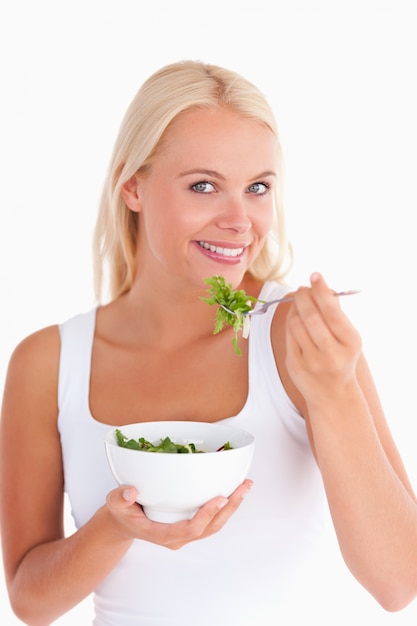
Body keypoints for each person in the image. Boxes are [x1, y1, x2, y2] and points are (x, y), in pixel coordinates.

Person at [1, 60, 417, 626]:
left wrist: (335, 391)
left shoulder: (299, 340)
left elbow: (398, 583)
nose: (240, 220)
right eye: (204, 185)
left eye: (257, 188)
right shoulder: (48, 362)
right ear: (133, 186)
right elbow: (30, 599)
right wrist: (113, 527)